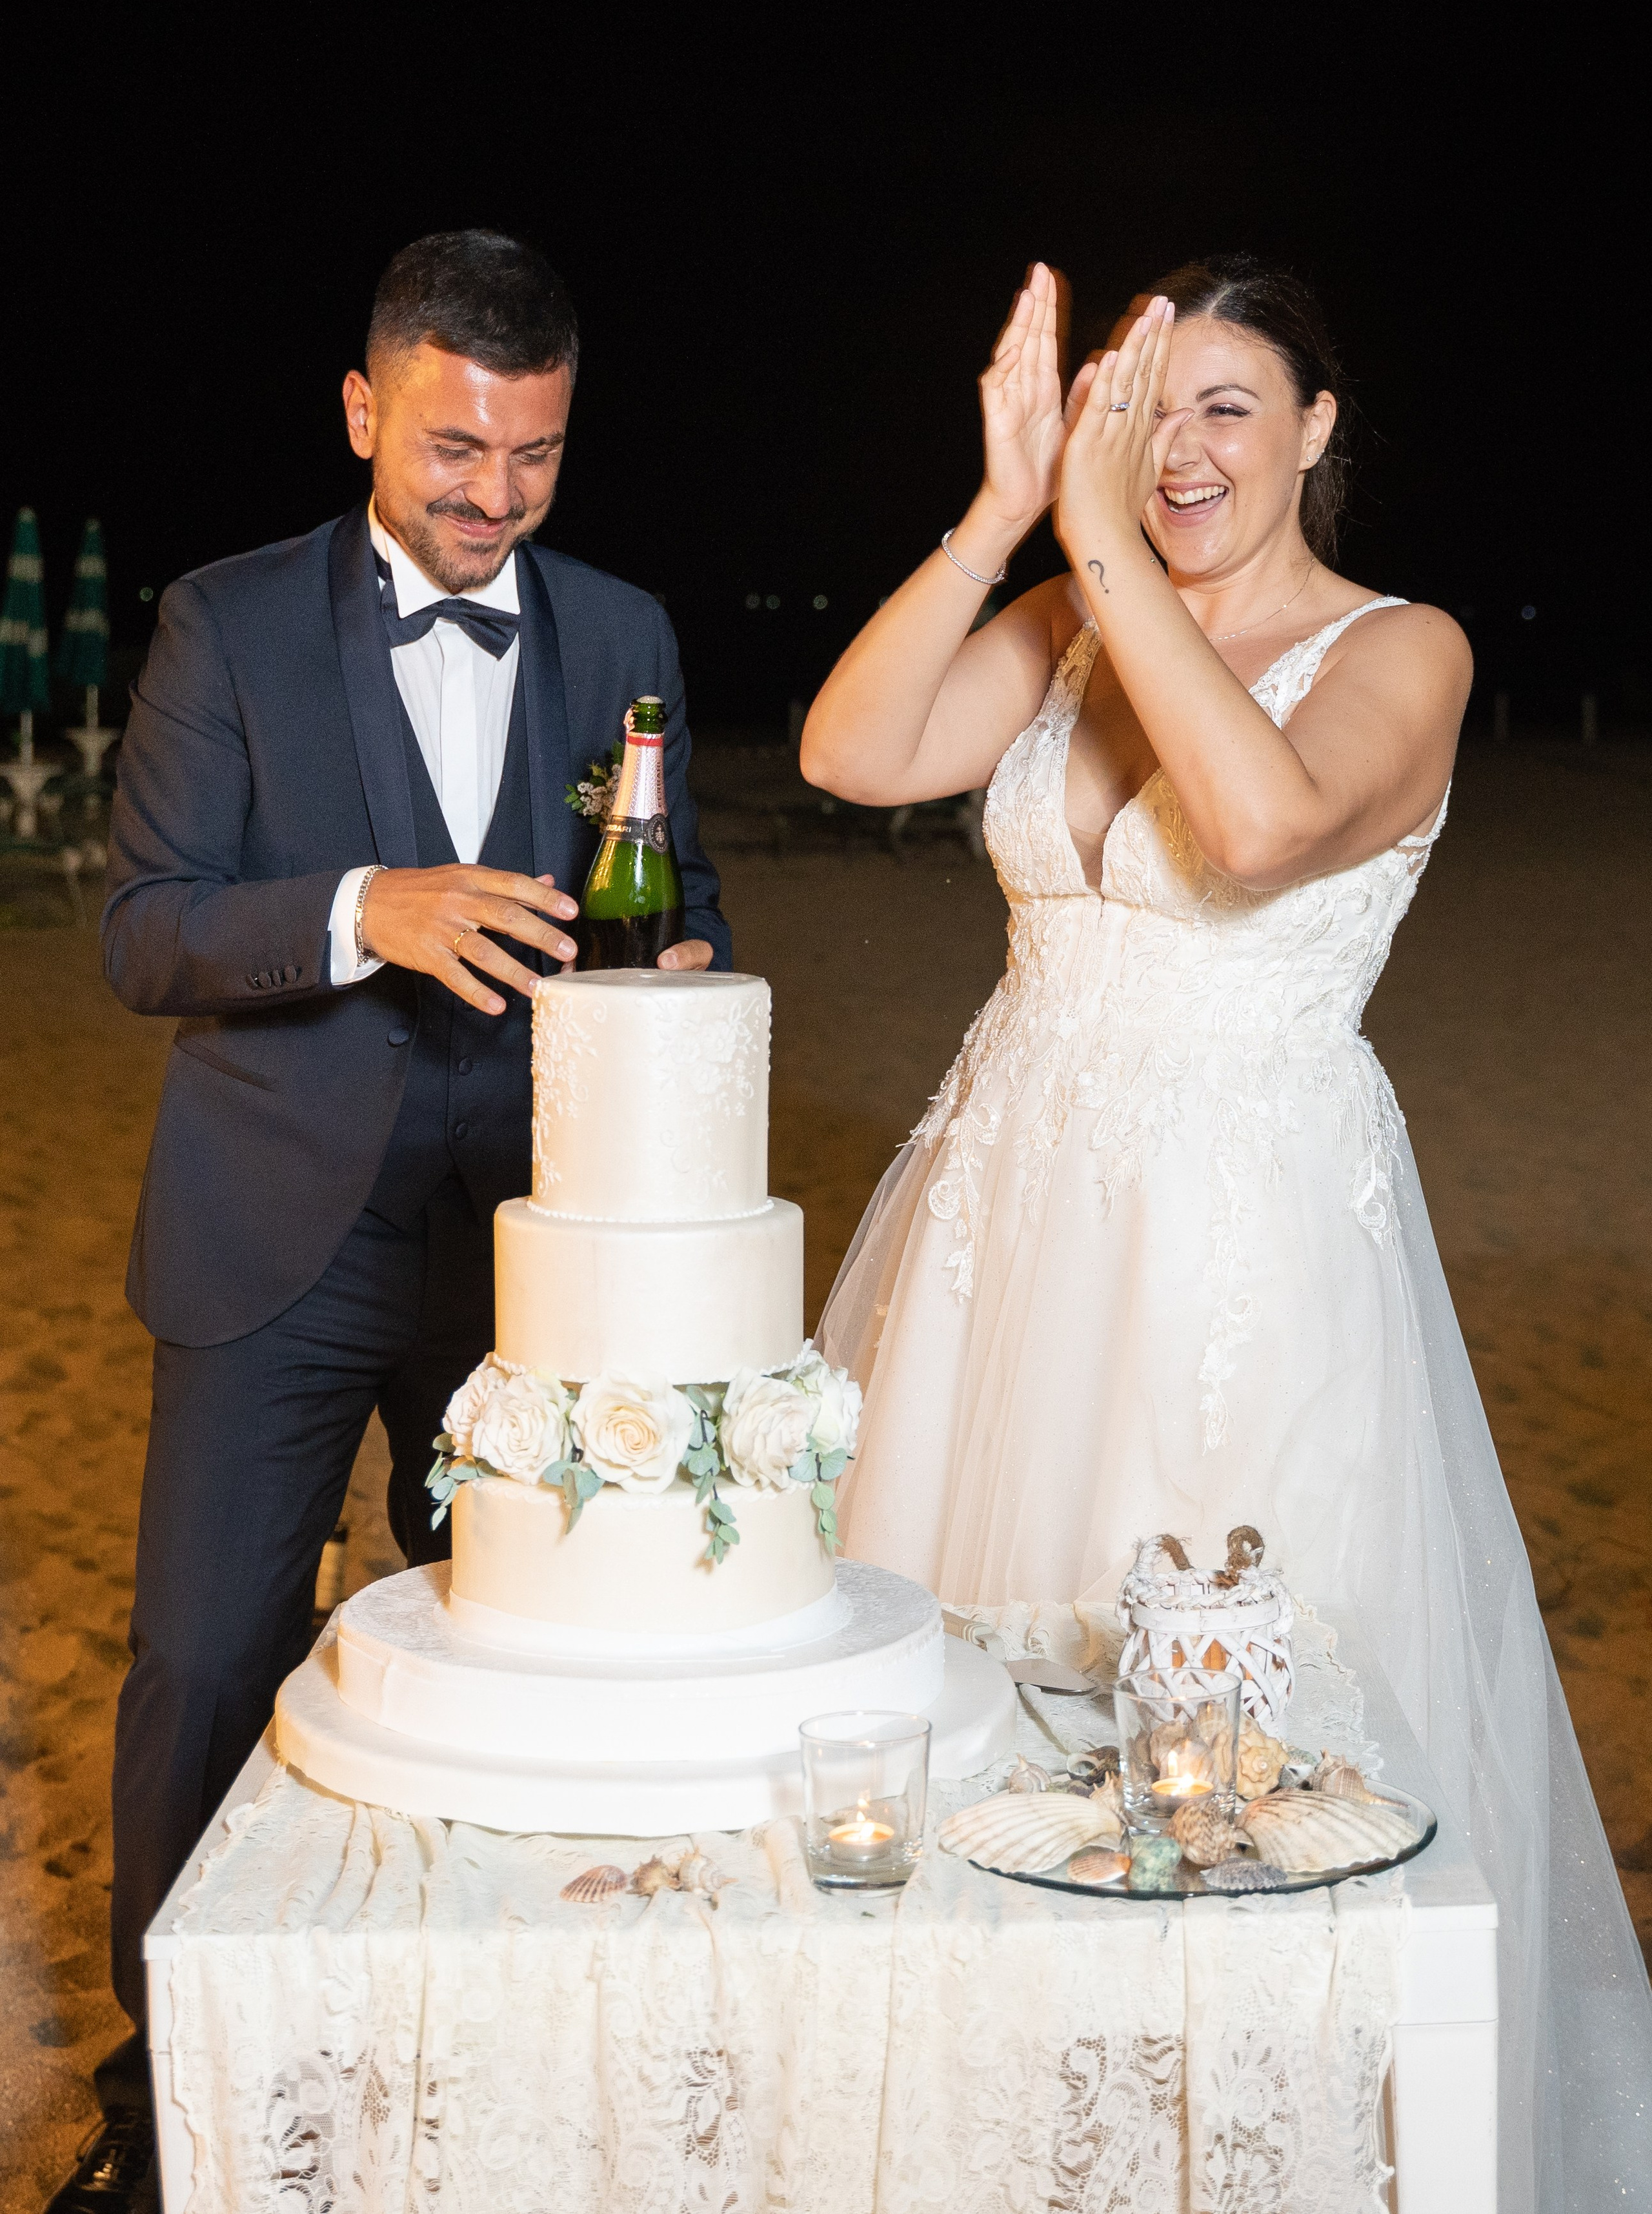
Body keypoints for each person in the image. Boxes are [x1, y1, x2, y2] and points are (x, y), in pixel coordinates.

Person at [803, 259, 1652, 2209]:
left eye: (1226, 407)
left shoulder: (1403, 651)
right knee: (978, 1728)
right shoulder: (1066, 614)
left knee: (1235, 1784)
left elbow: (1260, 830)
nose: (1177, 452)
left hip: (1237, 1265)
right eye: (1146, 409)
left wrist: (1100, 532)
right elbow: (856, 752)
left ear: (1317, 428)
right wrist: (1006, 514)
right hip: (1003, 1242)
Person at [54, 230, 729, 2213]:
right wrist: (372, 909)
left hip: (527, 1248)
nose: (493, 493)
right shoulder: (224, 622)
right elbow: (145, 933)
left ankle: (490, 2052)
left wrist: (685, 961)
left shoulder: (624, 631)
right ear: (364, 411)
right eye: (454, 447)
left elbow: (678, 893)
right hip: (275, 1237)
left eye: (534, 455)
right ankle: (169, 2088)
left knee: (525, 1662)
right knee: (206, 1662)